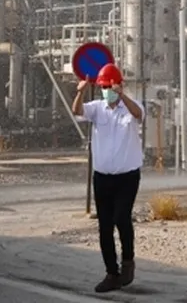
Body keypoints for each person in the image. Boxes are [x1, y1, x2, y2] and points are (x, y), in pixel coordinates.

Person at [72, 63, 145, 294]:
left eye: (110, 87)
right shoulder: (97, 108)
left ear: (119, 85)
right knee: (105, 226)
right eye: (103, 87)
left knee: (122, 217)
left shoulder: (130, 107)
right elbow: (77, 111)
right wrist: (80, 92)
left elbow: (138, 114)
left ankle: (128, 263)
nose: (107, 91)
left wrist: (122, 96)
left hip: (127, 177)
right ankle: (111, 273)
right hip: (102, 177)